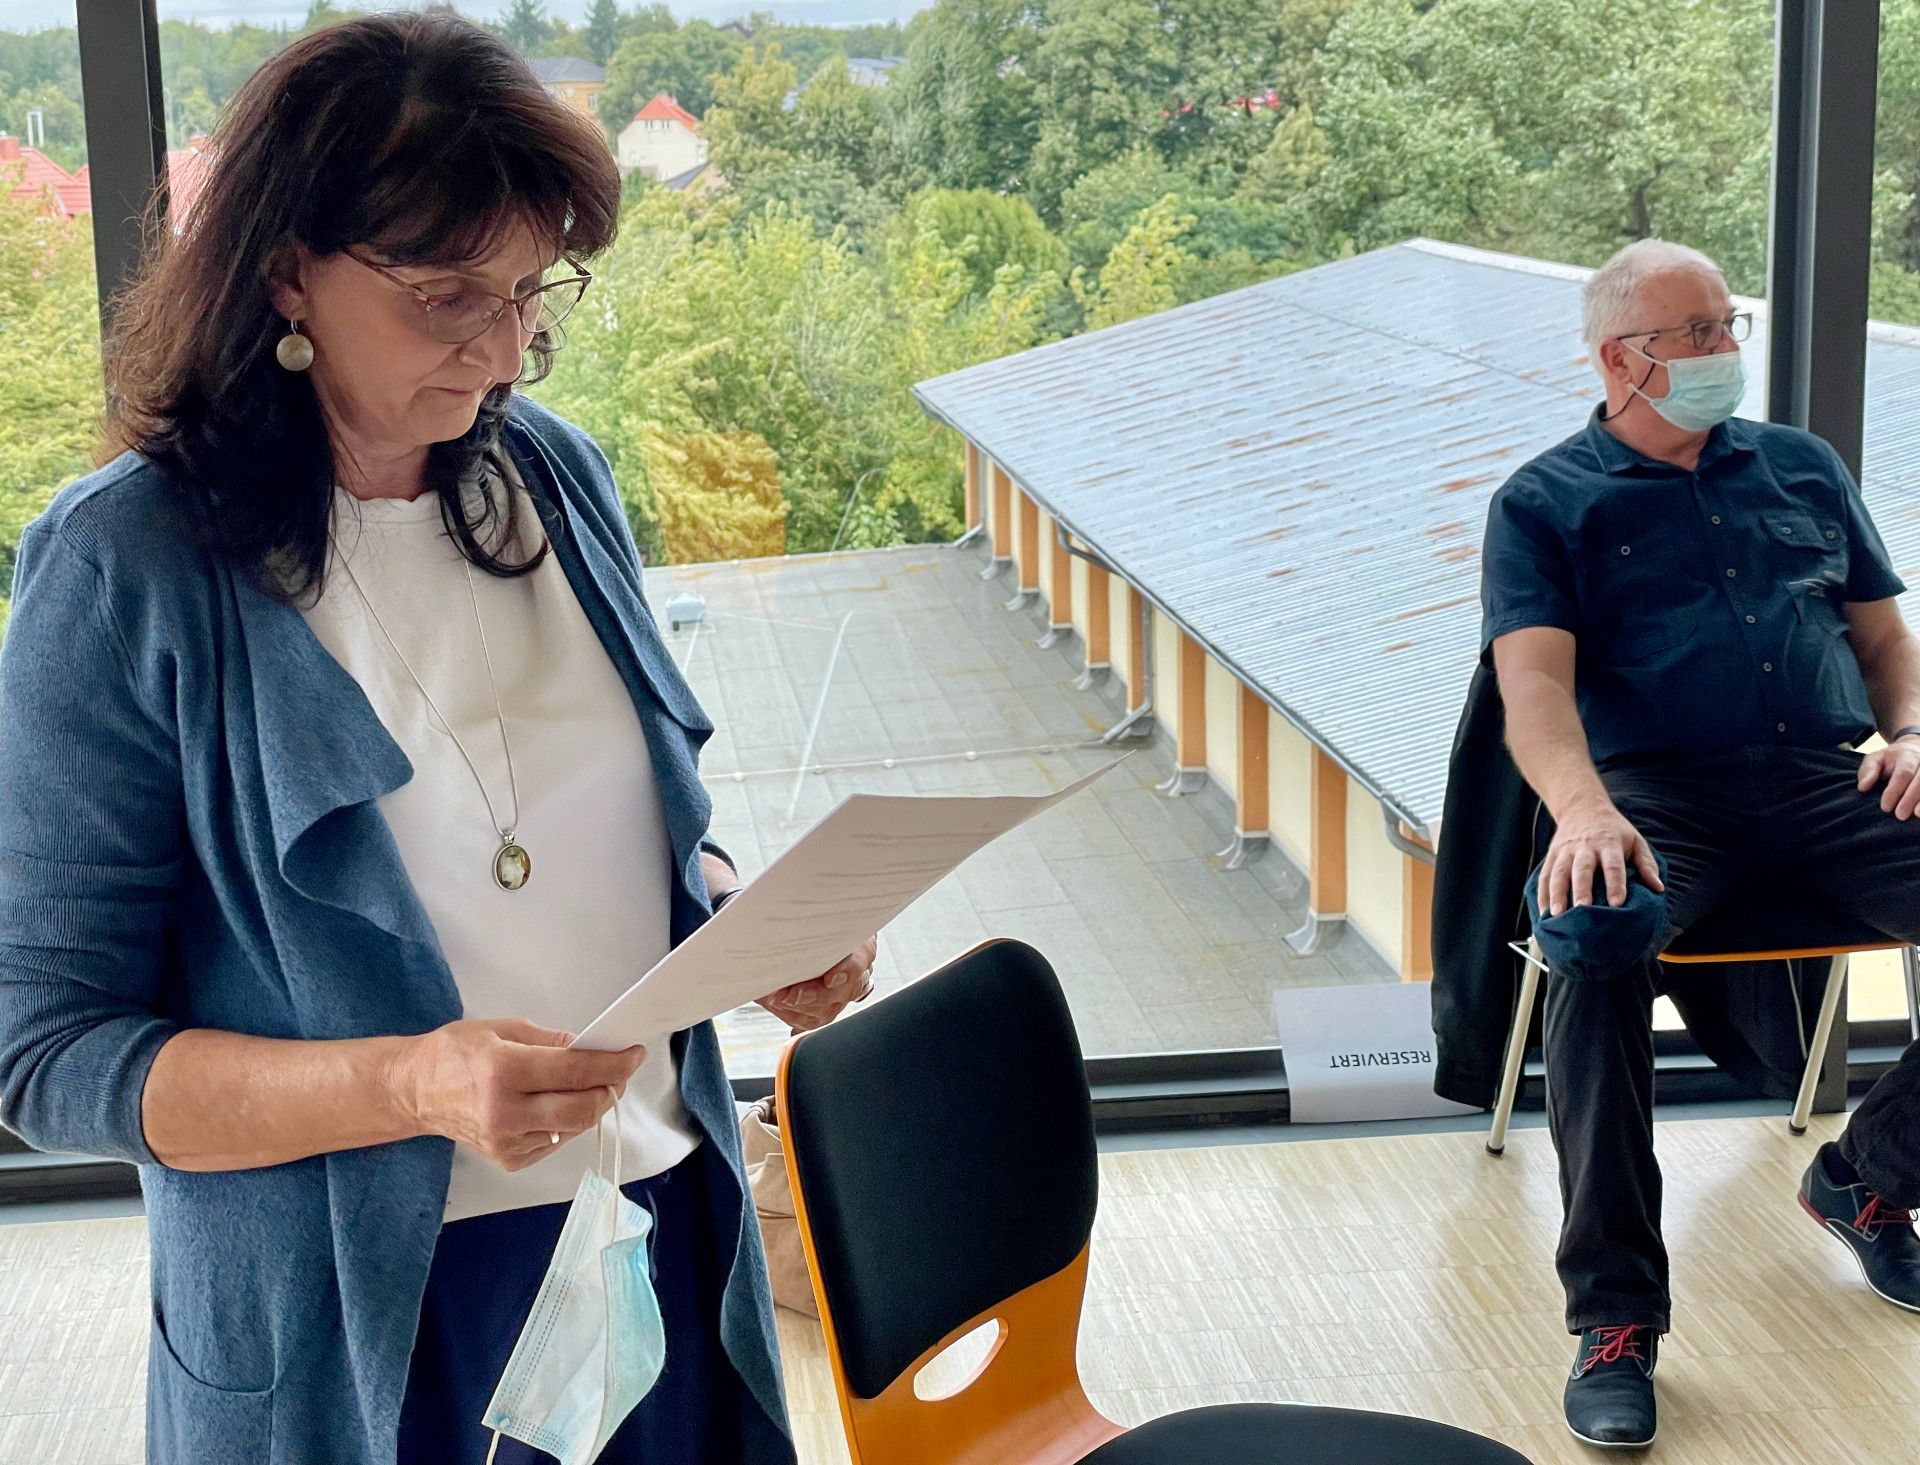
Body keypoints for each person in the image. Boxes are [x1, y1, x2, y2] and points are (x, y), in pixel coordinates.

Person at [0, 14, 875, 1465]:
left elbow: (628, 835)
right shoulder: (126, 567)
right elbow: (46, 1053)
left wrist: (735, 920)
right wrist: (409, 1082)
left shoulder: (558, 477)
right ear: (288, 270)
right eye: (448, 295)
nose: (504, 348)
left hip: (646, 1223)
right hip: (355, 1323)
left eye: (531, 291)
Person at [1480, 238, 1920, 1450]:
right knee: (1595, 930)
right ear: (1620, 360)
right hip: (1653, 801)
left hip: (1832, 780)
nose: (1730, 349)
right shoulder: (1543, 502)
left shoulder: (1802, 467)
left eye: (1730, 325)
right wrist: (1582, 809)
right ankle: (1615, 1317)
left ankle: (1870, 1176)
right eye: (1702, 333)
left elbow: (1885, 644)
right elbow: (1533, 690)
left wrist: (1912, 732)